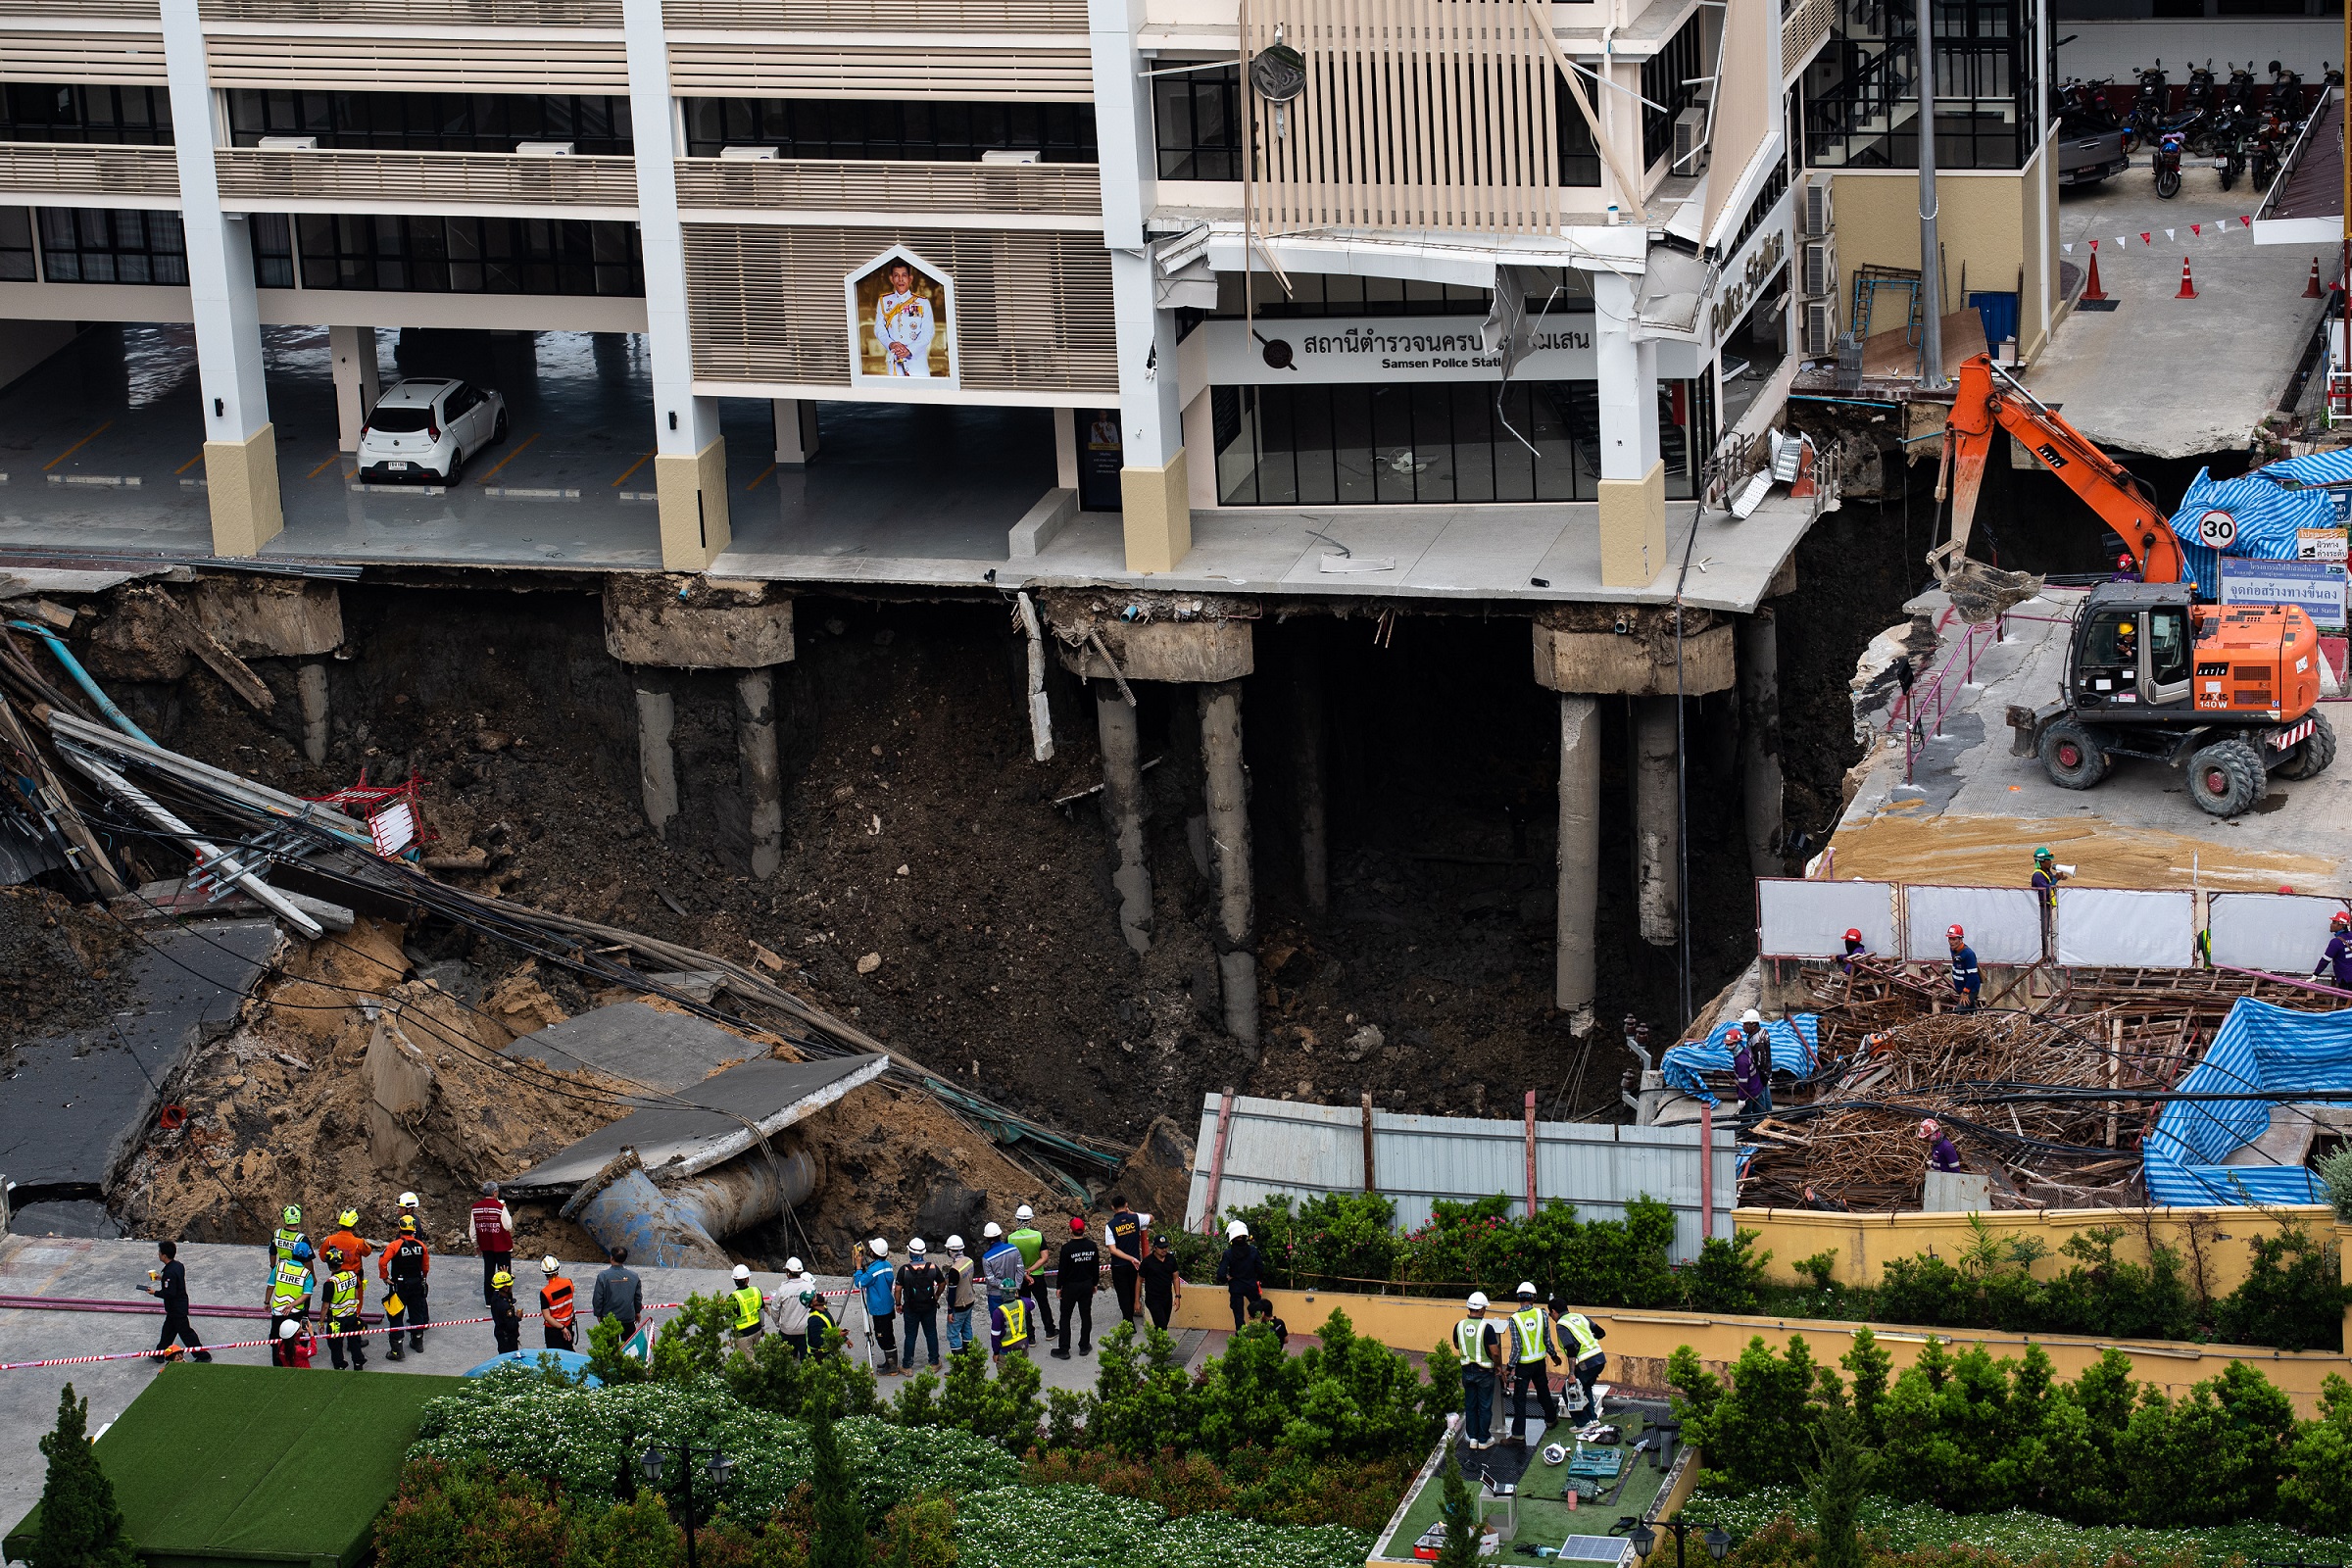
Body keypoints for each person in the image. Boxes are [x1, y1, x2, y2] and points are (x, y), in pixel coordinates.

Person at [1503, 1282, 1561, 1446]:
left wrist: (1509, 1368)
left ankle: (1518, 1436)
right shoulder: (1542, 1314)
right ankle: (1551, 1420)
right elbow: (1547, 1339)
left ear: (1518, 1298)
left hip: (1524, 1367)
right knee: (1543, 1392)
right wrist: (1554, 1356)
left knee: (1519, 1399)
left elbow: (1517, 1347)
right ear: (1534, 1297)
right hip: (1539, 1364)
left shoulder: (1514, 1319)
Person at [141, 1241, 210, 1362]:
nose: (159, 1254)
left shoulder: (169, 1272)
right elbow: (174, 1281)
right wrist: (161, 1278)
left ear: (164, 1255)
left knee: (186, 1334)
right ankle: (160, 1353)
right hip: (178, 1307)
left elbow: (169, 1293)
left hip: (176, 1308)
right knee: (167, 1332)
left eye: (159, 1252)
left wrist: (154, 1292)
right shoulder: (178, 1266)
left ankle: (203, 1356)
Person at [1452, 1291, 1505, 1450]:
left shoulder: (1459, 1325)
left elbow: (1456, 1345)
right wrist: (1498, 1366)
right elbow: (1495, 1352)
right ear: (1482, 1309)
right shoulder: (1486, 1328)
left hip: (1467, 1371)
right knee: (1484, 1406)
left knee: (1470, 1405)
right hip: (1484, 1373)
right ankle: (1483, 1440)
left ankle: (1473, 1439)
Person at [379, 1214, 430, 1361]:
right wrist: (423, 1278)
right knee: (416, 1313)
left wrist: (385, 1277)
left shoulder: (394, 1245)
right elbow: (425, 1267)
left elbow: (383, 1262)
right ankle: (418, 1342)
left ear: (400, 1228)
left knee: (395, 1315)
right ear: (414, 1229)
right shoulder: (421, 1246)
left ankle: (397, 1350)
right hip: (416, 1284)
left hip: (399, 1285)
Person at [873, 261, 935, 377]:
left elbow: (927, 332)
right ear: (891, 279)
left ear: (910, 279)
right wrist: (891, 344)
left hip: (917, 363)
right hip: (895, 360)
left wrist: (909, 350)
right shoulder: (884, 302)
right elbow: (879, 328)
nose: (900, 279)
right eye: (896, 275)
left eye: (904, 275)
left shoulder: (922, 303)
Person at [1052, 1216, 1101, 1359]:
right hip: (1086, 1285)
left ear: (1070, 1230)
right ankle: (1084, 1346)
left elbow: (1063, 1269)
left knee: (1065, 1316)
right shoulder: (1092, 1246)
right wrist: (1095, 1283)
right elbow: (1095, 1267)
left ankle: (1064, 1349)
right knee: (1085, 1315)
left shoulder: (1067, 1249)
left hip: (1070, 1286)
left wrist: (1059, 1286)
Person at [1007, 1205, 1056, 1342]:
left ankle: (1030, 1336)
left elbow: (1011, 1260)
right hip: (1037, 1275)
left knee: (1024, 1305)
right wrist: (1031, 1269)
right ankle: (1050, 1331)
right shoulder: (1038, 1236)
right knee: (1043, 1303)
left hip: (1020, 1277)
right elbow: (1045, 1257)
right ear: (1030, 1219)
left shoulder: (1011, 1238)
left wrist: (1023, 1272)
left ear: (1017, 1219)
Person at [898, 1238, 943, 1371]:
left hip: (911, 1308)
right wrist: (936, 1296)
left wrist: (898, 1304)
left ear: (910, 1252)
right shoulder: (933, 1268)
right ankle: (934, 1362)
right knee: (931, 1333)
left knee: (910, 1335)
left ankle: (907, 1365)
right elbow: (942, 1283)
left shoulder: (904, 1270)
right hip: (929, 1306)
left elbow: (898, 1289)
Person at [1555, 1299, 1607, 1416]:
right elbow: (1601, 1333)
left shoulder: (1562, 1325)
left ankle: (1582, 1423)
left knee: (1570, 1391)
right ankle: (1593, 1419)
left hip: (1586, 1362)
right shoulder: (1581, 1317)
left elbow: (1571, 1349)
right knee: (1585, 1387)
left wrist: (1572, 1373)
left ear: (1554, 1312)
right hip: (1599, 1358)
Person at [855, 1239, 899, 1373]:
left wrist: (858, 1267)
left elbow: (860, 1283)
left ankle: (892, 1366)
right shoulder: (888, 1265)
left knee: (883, 1337)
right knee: (888, 1334)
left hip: (879, 1309)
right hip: (887, 1306)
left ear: (874, 1253)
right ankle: (889, 1362)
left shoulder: (874, 1270)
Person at [268, 1241, 316, 1364]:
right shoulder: (306, 1274)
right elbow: (307, 1294)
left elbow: (270, 1286)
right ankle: (298, 1361)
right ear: (306, 1257)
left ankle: (278, 1364)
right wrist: (292, 1305)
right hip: (298, 1312)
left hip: (278, 1312)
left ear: (292, 1253)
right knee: (301, 1337)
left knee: (276, 1339)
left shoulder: (279, 1267)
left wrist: (266, 1302)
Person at [471, 1182, 514, 1306]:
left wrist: (475, 1244)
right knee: (505, 1272)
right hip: (502, 1245)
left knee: (489, 1272)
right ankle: (506, 1298)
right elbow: (508, 1225)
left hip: (486, 1245)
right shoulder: (499, 1207)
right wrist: (504, 1208)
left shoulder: (476, 1208)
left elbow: (473, 1229)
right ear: (494, 1193)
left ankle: (489, 1299)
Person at [1215, 1219, 1263, 1329]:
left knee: (1238, 1316)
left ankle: (1241, 1338)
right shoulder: (1253, 1250)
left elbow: (1220, 1274)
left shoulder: (1228, 1253)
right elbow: (1260, 1268)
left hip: (1236, 1287)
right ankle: (1260, 1333)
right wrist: (1257, 1279)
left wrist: (1227, 1278)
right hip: (1251, 1285)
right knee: (1258, 1311)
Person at [1103, 1197, 1144, 1324]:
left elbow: (1113, 1250)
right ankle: (1133, 1311)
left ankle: (1128, 1321)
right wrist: (1130, 1212)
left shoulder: (1110, 1226)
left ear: (1112, 1208)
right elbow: (1151, 1217)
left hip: (1119, 1265)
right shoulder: (1136, 1219)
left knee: (1123, 1294)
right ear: (1126, 1205)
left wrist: (1129, 1258)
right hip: (1135, 1265)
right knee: (1133, 1289)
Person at [323, 1257, 368, 1370]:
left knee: (336, 1342)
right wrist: (354, 1309)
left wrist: (320, 1322)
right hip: (352, 1316)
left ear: (329, 1266)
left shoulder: (330, 1283)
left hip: (337, 1319)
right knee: (354, 1340)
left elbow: (325, 1306)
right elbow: (356, 1292)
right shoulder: (352, 1275)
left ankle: (339, 1364)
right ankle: (358, 1363)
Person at [592, 1247, 641, 1343]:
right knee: (629, 1348)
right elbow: (638, 1297)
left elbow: (598, 1298)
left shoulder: (603, 1276)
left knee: (610, 1350)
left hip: (609, 1318)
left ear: (611, 1258)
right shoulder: (634, 1276)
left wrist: (598, 1313)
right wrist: (637, 1311)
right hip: (628, 1318)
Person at [942, 1236, 980, 1353]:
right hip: (970, 1300)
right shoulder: (969, 1261)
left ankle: (959, 1366)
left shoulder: (954, 1270)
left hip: (959, 1305)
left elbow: (952, 1294)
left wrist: (949, 1311)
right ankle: (969, 1359)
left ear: (950, 1251)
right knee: (967, 1329)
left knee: (953, 1335)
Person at [1138, 1232, 1182, 1330]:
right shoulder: (1147, 1262)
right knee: (1161, 1324)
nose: (1164, 1250)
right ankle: (1161, 1344)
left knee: (1163, 1324)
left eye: (1166, 1247)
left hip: (1166, 1297)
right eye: (1161, 1247)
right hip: (1153, 1298)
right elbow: (1139, 1280)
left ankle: (1156, 1343)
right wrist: (1137, 1301)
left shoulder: (1171, 1259)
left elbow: (1175, 1277)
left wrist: (1177, 1296)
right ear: (1155, 1248)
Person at [268, 1204, 310, 1303]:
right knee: (303, 1292)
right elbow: (308, 1260)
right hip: (298, 1269)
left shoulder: (276, 1234)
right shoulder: (302, 1238)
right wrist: (311, 1275)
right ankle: (303, 1316)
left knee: (282, 1290)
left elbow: (272, 1253)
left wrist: (273, 1267)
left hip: (281, 1267)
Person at [772, 1258, 813, 1359]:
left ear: (788, 1272)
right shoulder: (810, 1287)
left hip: (787, 1331)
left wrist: (777, 1323)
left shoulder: (783, 1289)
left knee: (784, 1361)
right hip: (804, 1331)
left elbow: (775, 1309)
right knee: (806, 1361)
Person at [980, 1221, 1024, 1312]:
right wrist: (1015, 1287)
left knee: (998, 1323)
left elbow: (991, 1279)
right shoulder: (1014, 1249)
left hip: (995, 1295)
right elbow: (1020, 1270)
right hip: (1012, 1293)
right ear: (1000, 1234)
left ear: (987, 1238)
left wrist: (1005, 1286)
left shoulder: (986, 1258)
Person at [538, 1256, 576, 1351]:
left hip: (553, 1330)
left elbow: (547, 1317)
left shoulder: (545, 1292)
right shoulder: (568, 1282)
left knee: (554, 1357)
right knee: (569, 1352)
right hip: (568, 1325)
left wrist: (562, 1328)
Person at [727, 1263, 766, 1352]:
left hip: (742, 1335)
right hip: (757, 1330)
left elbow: (729, 1320)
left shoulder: (733, 1297)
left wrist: (729, 1337)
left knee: (748, 1362)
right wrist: (763, 1327)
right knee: (755, 1356)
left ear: (735, 1280)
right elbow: (761, 1312)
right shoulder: (756, 1291)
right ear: (747, 1279)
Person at [321, 1208, 368, 1276]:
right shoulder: (359, 1242)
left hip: (336, 1279)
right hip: (355, 1280)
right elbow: (367, 1252)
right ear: (354, 1225)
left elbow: (323, 1258)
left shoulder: (329, 1240)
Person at [1946, 924, 1981, 1013]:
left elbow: (1972, 976)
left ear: (1961, 939)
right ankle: (1976, 1017)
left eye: (1954, 939)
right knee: (1971, 1009)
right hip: (1961, 988)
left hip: (1970, 989)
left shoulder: (1968, 954)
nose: (1951, 942)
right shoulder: (1953, 950)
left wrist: (1965, 992)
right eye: (1950, 939)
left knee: (1960, 1012)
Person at [2315, 910, 2352, 989]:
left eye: (2334, 922)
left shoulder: (2336, 942)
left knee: (2345, 999)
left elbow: (2325, 960)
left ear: (2341, 926)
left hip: (2346, 979)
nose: (2331, 925)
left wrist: (2315, 975)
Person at [489, 1268, 521, 1354]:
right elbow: (511, 1325)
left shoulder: (495, 1297)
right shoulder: (505, 1307)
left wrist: (505, 1276)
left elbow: (508, 1296)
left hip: (500, 1333)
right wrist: (518, 1317)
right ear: (506, 1288)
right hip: (508, 1338)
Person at [989, 1291, 1030, 1359]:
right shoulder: (1022, 1303)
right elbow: (1032, 1302)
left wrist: (996, 1352)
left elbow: (995, 1335)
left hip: (1006, 1349)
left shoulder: (998, 1312)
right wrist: (1019, 1297)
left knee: (1005, 1369)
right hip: (1023, 1345)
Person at [2032, 846, 2070, 911]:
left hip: (2048, 906)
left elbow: (2051, 879)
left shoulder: (2046, 872)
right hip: (2042, 908)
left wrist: (2059, 877)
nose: (2050, 862)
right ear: (2041, 862)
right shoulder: (2038, 875)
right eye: (2048, 860)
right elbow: (2045, 890)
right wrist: (2056, 879)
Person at [805, 1290, 840, 1356]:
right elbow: (819, 1342)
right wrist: (838, 1335)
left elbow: (831, 1327)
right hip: (820, 1356)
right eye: (814, 1297)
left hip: (828, 1352)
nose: (817, 1295)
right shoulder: (815, 1320)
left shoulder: (824, 1309)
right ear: (812, 1304)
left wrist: (844, 1338)